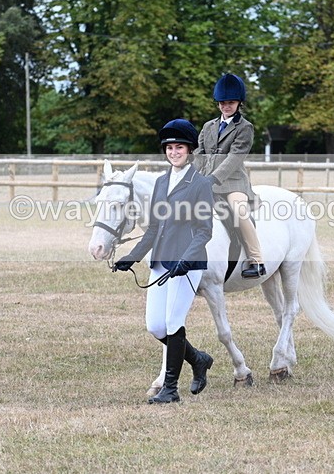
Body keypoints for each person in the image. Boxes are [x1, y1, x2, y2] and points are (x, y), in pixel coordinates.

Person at [112, 118, 215, 404]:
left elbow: (205, 231)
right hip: (160, 261)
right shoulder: (160, 183)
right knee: (155, 326)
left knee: (173, 323)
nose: (174, 152)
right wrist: (131, 257)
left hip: (187, 265)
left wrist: (185, 259)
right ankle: (199, 359)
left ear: (189, 150)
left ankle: (170, 389)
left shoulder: (200, 184)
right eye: (169, 147)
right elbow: (154, 229)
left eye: (179, 147)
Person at [195, 73, 266, 279]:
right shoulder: (208, 126)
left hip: (233, 184)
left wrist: (214, 178)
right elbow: (199, 154)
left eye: (231, 102)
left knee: (239, 211)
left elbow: (234, 158)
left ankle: (257, 260)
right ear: (218, 103)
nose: (226, 106)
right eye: (223, 102)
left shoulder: (245, 128)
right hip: (206, 181)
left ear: (238, 103)